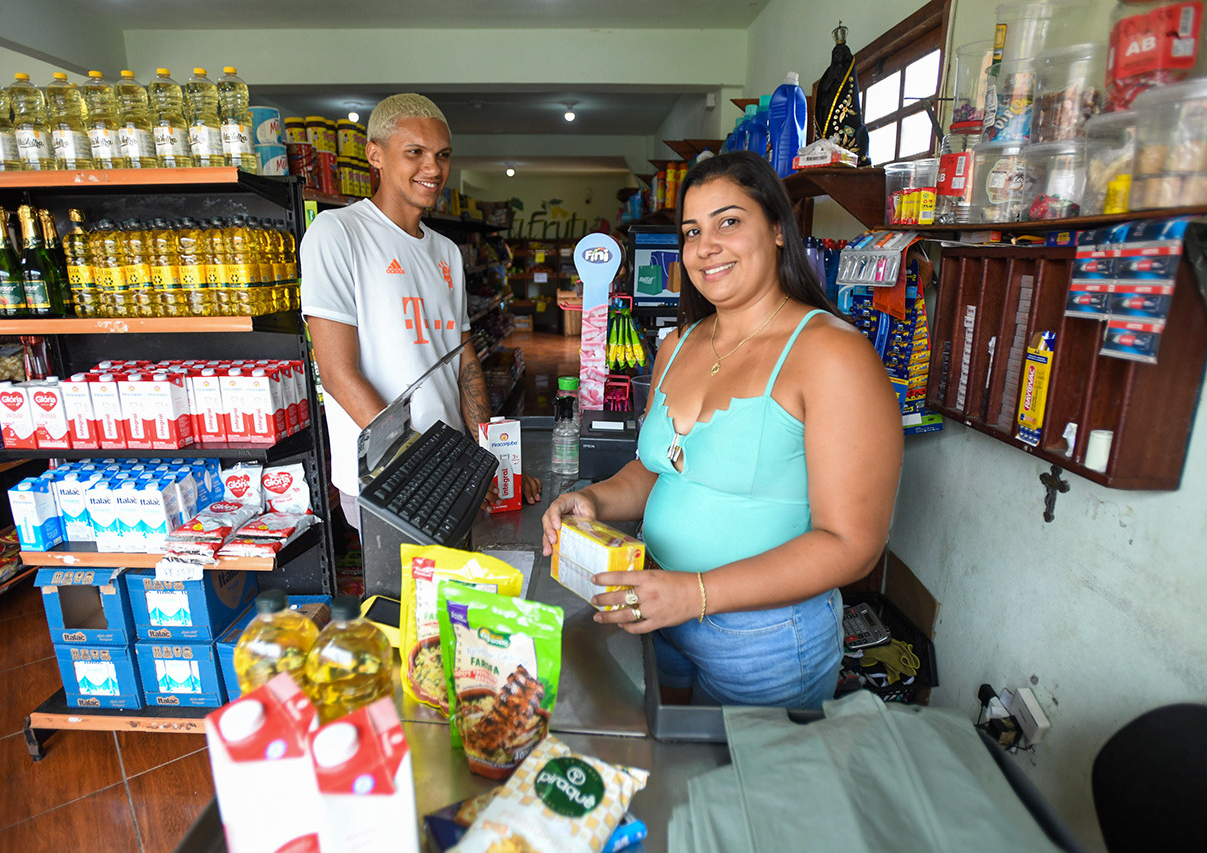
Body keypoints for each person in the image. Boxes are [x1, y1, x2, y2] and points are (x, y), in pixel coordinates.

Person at [541, 150, 902, 709]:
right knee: (672, 780)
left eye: (728, 222)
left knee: (743, 792)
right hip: (657, 604)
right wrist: (591, 499)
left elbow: (852, 545)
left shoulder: (832, 354)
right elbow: (657, 469)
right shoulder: (679, 344)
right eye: (692, 230)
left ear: (779, 230)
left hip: (764, 640)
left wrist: (699, 593)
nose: (705, 246)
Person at [300, 93, 542, 529]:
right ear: (375, 154)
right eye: (415, 153)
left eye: (443, 156)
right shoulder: (336, 233)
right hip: (386, 477)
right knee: (408, 598)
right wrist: (430, 467)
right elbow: (337, 375)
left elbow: (465, 361)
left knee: (460, 593)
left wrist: (492, 462)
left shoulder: (446, 252)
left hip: (449, 467)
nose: (433, 169)